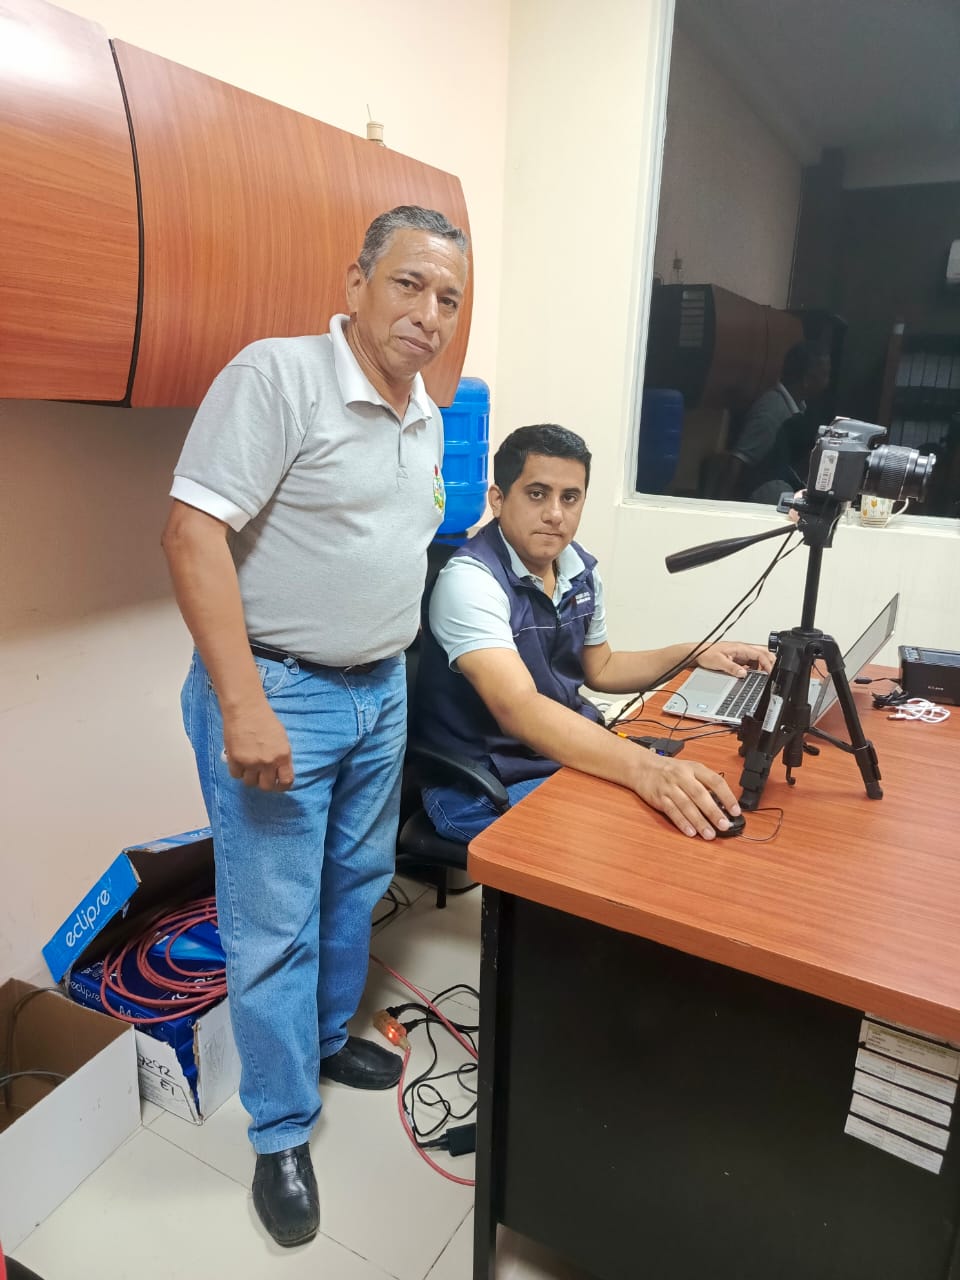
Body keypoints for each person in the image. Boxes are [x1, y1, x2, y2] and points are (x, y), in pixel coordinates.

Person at [161, 205, 469, 1247]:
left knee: (355, 883)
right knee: (274, 920)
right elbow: (192, 532)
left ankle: (329, 1037)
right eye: (409, 284)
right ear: (356, 283)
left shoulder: (426, 411)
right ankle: (281, 1128)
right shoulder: (278, 377)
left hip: (380, 689)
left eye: (448, 298)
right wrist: (242, 701)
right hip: (280, 688)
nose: (429, 314)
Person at [414, 424, 773, 844]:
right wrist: (646, 768)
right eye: (537, 494)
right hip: (482, 784)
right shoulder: (471, 581)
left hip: (553, 758)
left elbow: (601, 667)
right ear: (498, 499)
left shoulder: (577, 569)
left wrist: (693, 653)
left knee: (684, 813)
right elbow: (519, 708)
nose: (555, 514)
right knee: (637, 839)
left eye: (570, 498)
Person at [733, 341, 830, 503]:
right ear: (807, 379)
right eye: (825, 375)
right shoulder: (771, 412)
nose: (827, 383)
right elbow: (738, 462)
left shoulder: (799, 409)